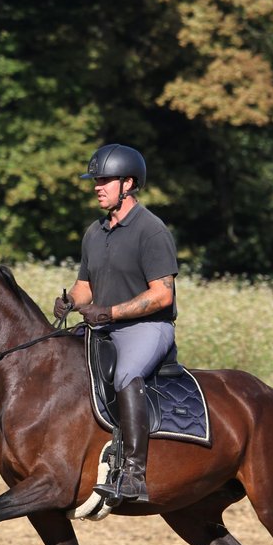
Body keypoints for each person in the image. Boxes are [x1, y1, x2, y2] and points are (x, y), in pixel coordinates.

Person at [54, 143, 177, 503]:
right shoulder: (95, 232)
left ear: (128, 183)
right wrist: (70, 301)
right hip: (103, 326)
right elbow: (84, 286)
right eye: (96, 180)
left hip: (147, 328)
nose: (97, 186)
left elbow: (162, 295)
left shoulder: (151, 231)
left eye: (104, 180)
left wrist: (110, 313)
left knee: (125, 375)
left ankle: (134, 475)